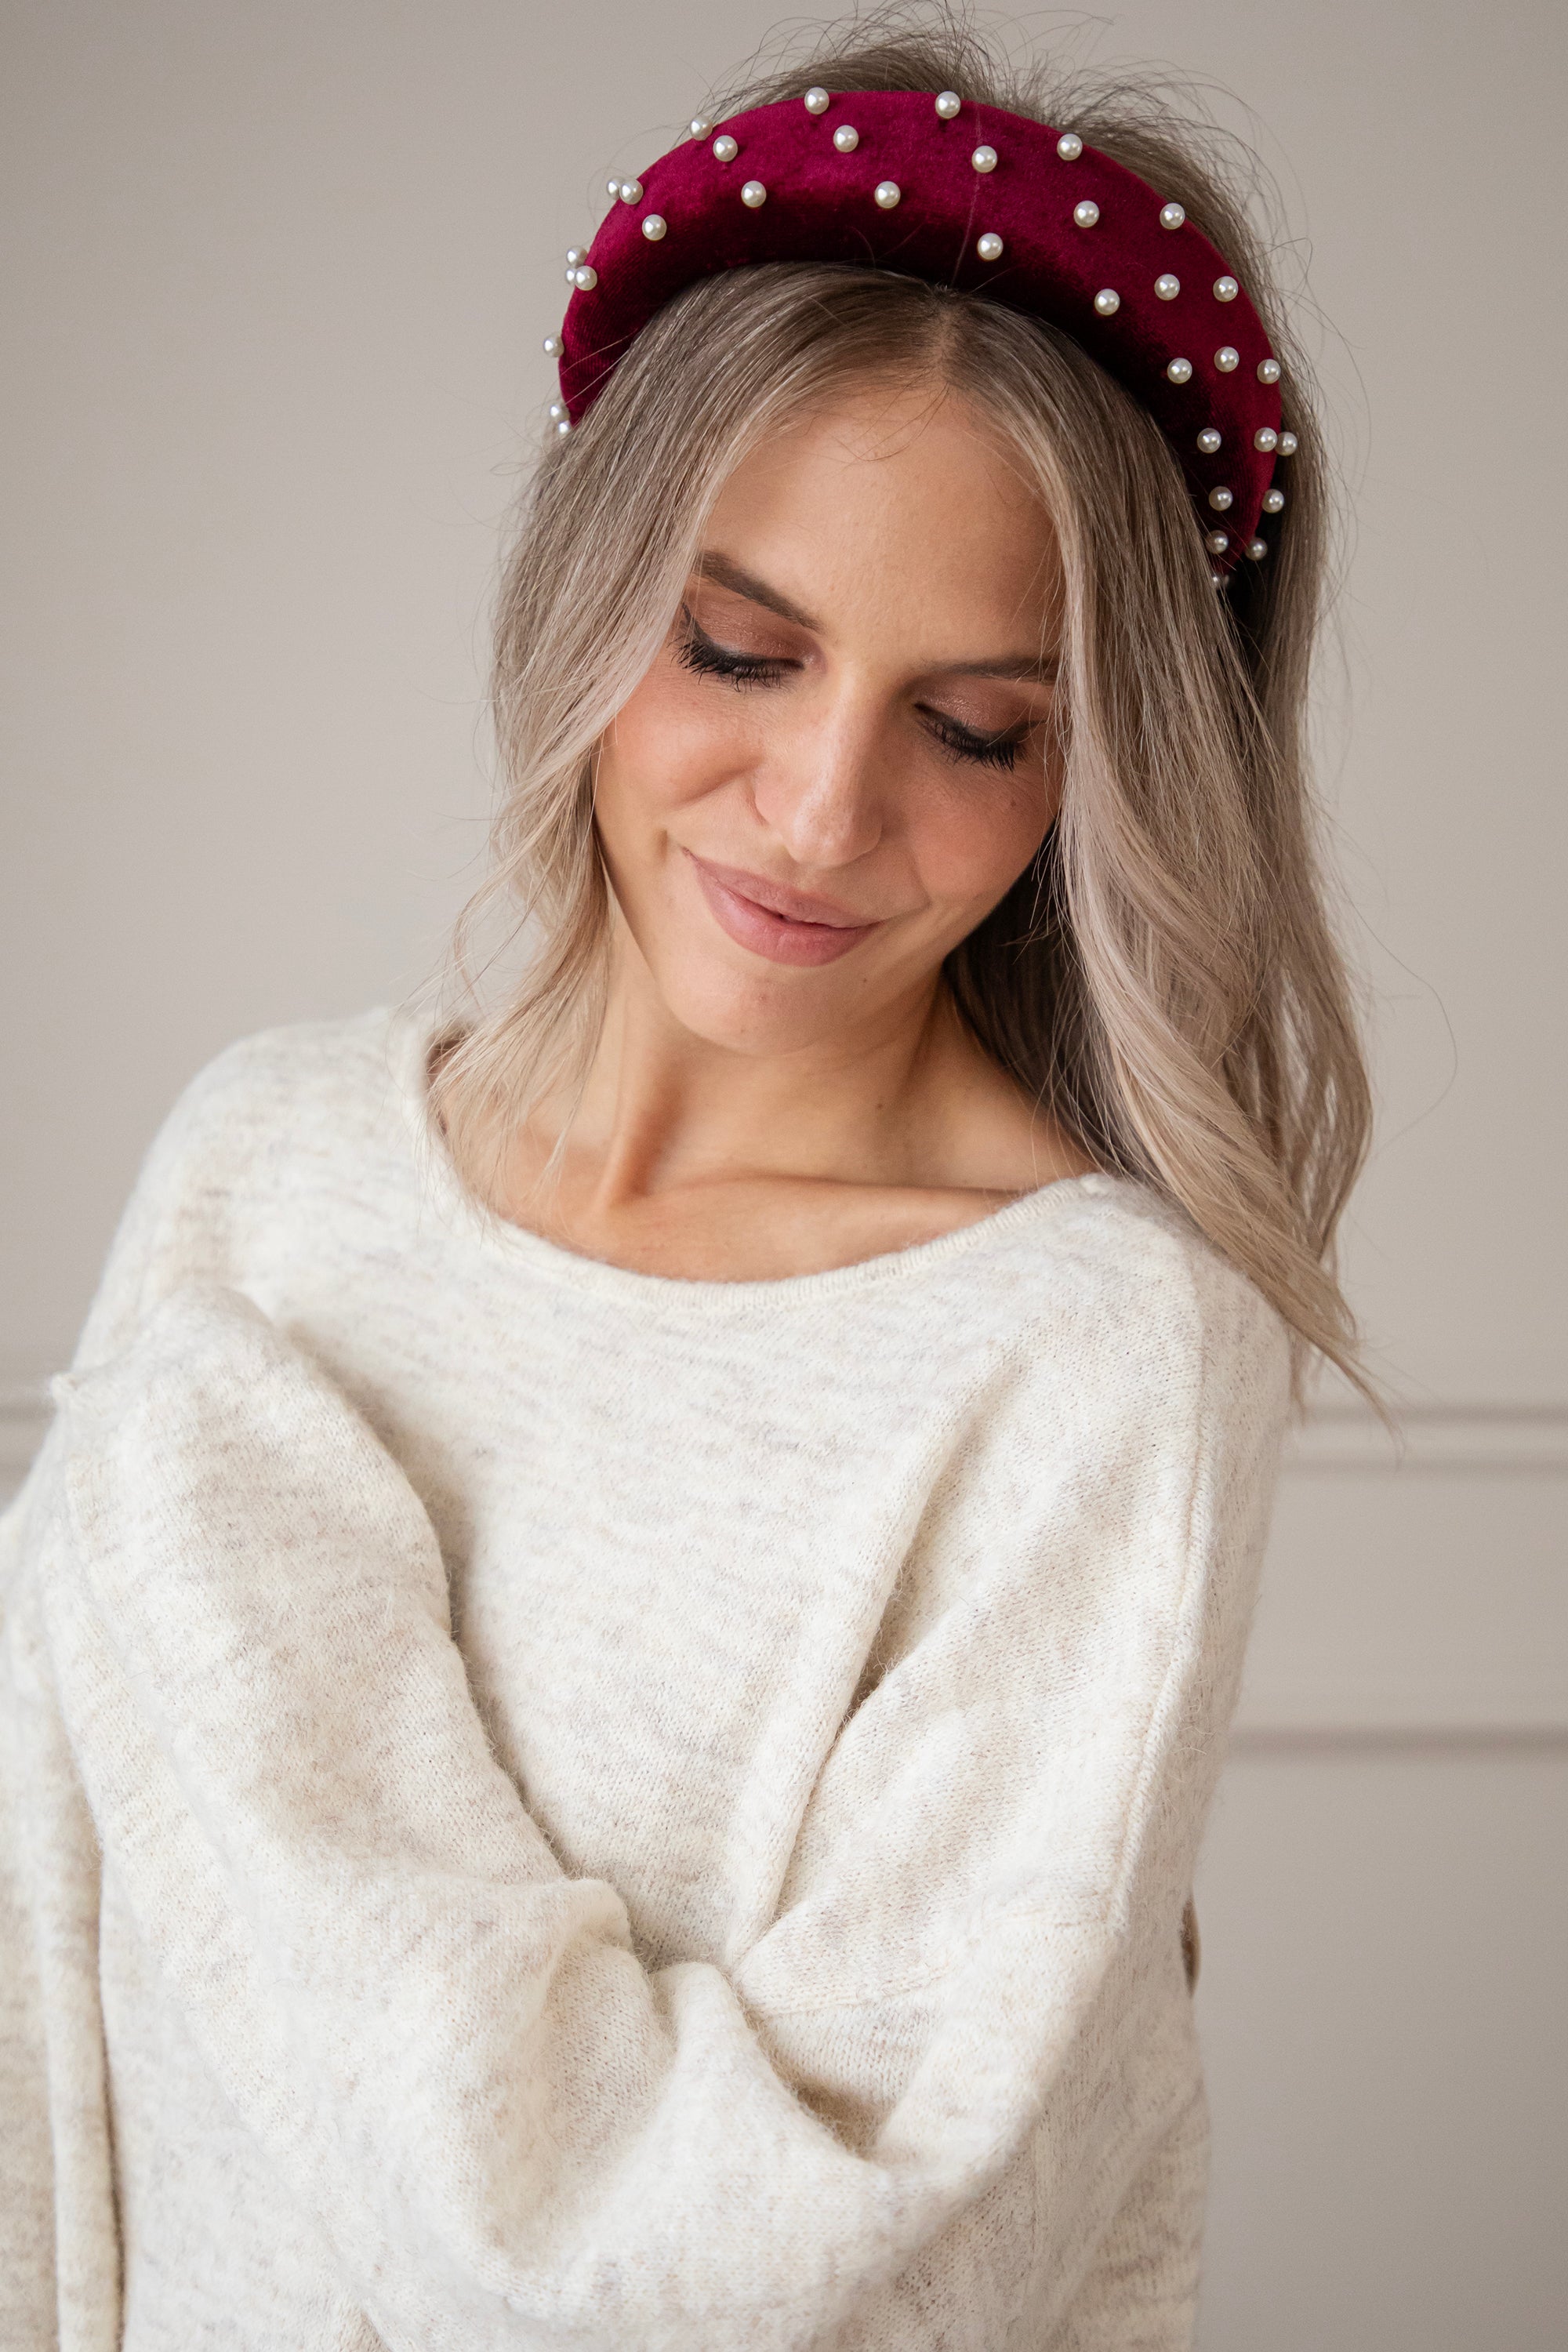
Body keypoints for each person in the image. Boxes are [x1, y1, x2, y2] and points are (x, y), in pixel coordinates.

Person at [0, 14, 1377, 2348]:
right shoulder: (264, 1161)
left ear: (1095, 772)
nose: (822, 812)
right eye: (739, 650)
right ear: (588, 589)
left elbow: (806, 2281)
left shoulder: (1095, 1356)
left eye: (974, 727)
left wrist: (246, 1615)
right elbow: (49, 2050)